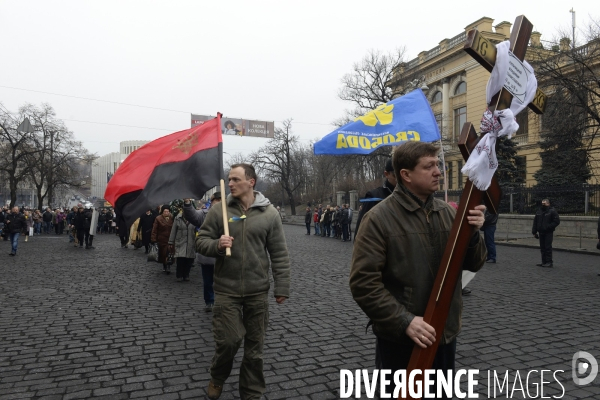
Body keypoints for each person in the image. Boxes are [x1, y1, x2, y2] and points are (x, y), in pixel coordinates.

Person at [349, 142, 486, 399]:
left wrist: (474, 234)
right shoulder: (378, 219)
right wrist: (405, 321)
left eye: (438, 165)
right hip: (402, 339)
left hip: (443, 333)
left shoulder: (448, 213)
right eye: (429, 166)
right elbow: (363, 283)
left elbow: (473, 264)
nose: (438, 172)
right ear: (406, 175)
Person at [197, 163, 290, 400]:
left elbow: (279, 252)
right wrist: (217, 244)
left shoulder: (270, 213)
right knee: (229, 340)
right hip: (226, 290)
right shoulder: (219, 212)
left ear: (251, 182)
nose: (230, 184)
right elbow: (201, 241)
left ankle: (251, 393)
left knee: (255, 350)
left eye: (236, 179)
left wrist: (282, 287)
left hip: (257, 290)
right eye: (229, 180)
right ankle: (217, 376)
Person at [182, 192, 222, 311]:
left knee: (223, 282)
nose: (218, 203)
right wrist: (188, 203)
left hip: (224, 255)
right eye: (216, 200)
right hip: (208, 255)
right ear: (212, 201)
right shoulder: (204, 214)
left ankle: (222, 301)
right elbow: (192, 215)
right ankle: (209, 301)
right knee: (208, 281)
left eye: (221, 200)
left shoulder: (229, 213)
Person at [354, 158, 397, 239]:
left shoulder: (413, 194)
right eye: (396, 174)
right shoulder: (374, 196)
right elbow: (362, 229)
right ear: (386, 174)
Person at [168, 201, 197, 282]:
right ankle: (179, 275)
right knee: (180, 260)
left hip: (190, 242)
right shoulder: (178, 218)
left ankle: (186, 275)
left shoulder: (194, 219)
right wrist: (171, 242)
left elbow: (197, 230)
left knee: (189, 260)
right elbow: (173, 231)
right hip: (180, 241)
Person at [532, 198, 560, 268]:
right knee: (542, 248)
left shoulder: (552, 211)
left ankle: (549, 262)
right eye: (542, 203)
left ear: (548, 204)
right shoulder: (539, 211)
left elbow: (556, 221)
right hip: (541, 232)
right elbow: (535, 222)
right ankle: (543, 261)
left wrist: (548, 227)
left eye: (545, 204)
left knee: (547, 247)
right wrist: (534, 232)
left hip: (548, 232)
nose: (543, 205)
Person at [151, 205, 174, 274]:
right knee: (163, 254)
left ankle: (168, 266)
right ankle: (165, 265)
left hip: (170, 239)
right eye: (165, 211)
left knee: (169, 253)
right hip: (161, 239)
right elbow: (154, 229)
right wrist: (153, 239)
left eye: (167, 211)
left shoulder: (172, 218)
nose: (166, 213)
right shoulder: (158, 218)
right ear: (162, 211)